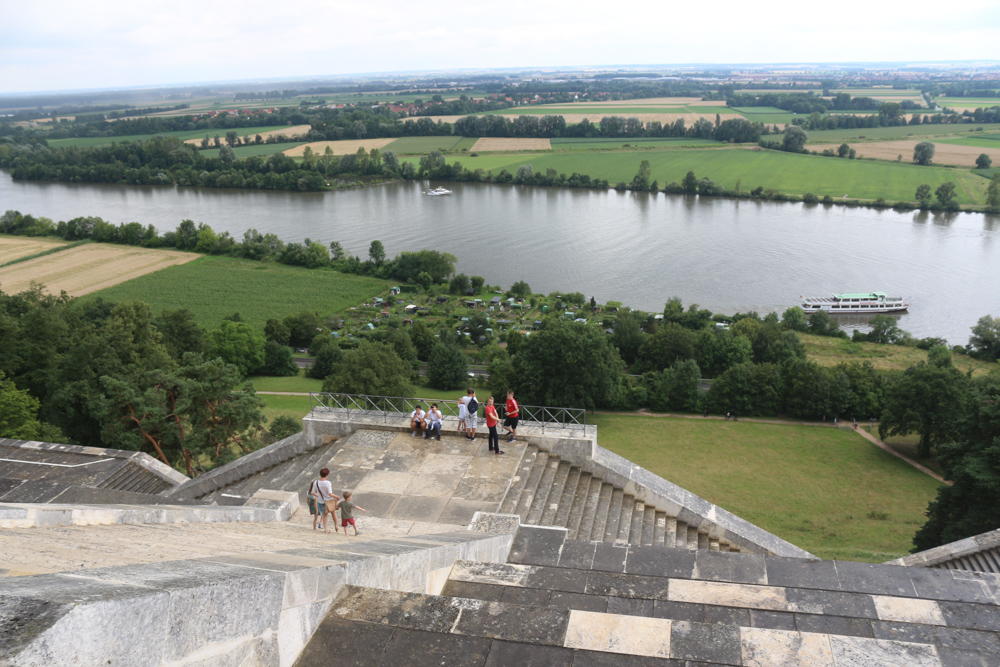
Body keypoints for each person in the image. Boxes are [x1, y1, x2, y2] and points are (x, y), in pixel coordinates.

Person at [308, 468, 340, 534]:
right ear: (327, 475)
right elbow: (330, 494)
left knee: (324, 515)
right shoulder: (327, 483)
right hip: (329, 501)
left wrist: (319, 495)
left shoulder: (315, 482)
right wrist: (337, 496)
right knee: (333, 513)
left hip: (321, 501)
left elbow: (312, 492)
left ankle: (326, 529)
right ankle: (336, 526)